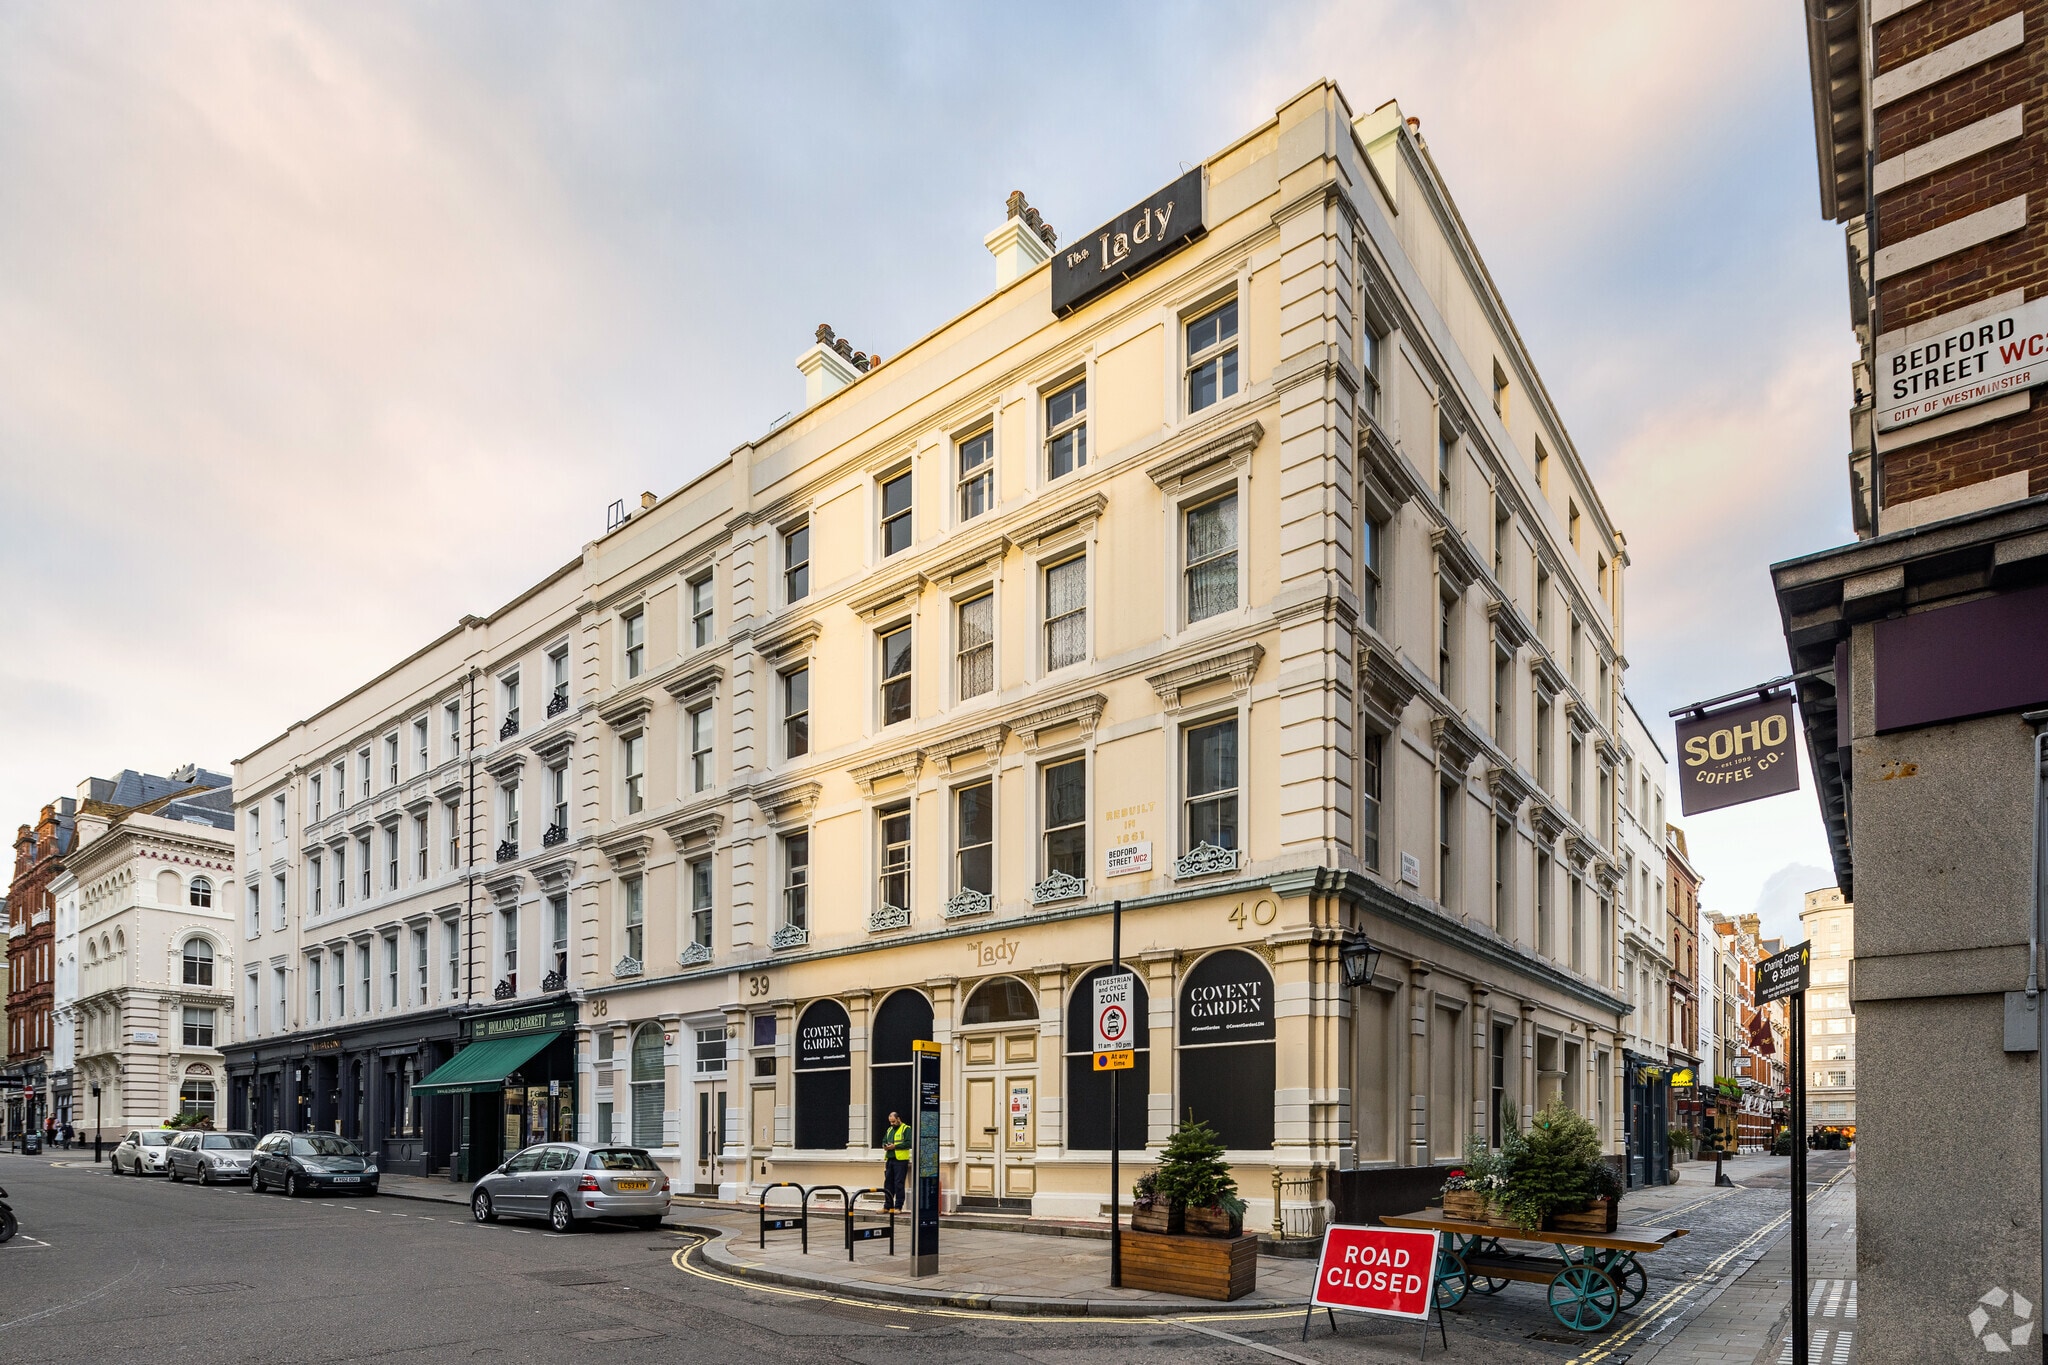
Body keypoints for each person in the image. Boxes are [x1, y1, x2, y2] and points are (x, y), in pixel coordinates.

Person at [881, 1110, 911, 1212]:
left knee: (899, 1183)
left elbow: (908, 1143)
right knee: (888, 1183)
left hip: (901, 1161)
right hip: (890, 1159)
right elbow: (884, 1140)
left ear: (898, 1119)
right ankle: (887, 1206)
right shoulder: (889, 1129)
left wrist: (895, 1146)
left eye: (893, 1121)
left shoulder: (906, 1129)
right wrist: (885, 1146)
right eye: (890, 1122)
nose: (892, 1124)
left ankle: (898, 1207)